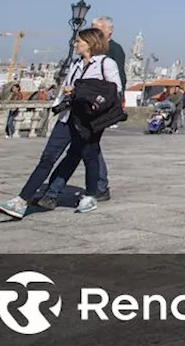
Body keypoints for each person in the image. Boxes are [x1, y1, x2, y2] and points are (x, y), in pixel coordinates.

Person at [0, 28, 122, 219]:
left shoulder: (106, 63)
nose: (75, 44)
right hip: (67, 117)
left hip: (89, 120)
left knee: (89, 156)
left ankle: (91, 195)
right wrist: (58, 106)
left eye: (79, 41)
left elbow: (114, 89)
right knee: (48, 158)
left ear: (90, 43)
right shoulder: (76, 64)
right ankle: (21, 201)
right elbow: (65, 89)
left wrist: (81, 92)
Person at [38, 16, 123, 206]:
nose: (91, 31)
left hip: (94, 113)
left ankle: (59, 192)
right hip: (75, 113)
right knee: (82, 153)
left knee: (82, 153)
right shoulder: (78, 61)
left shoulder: (112, 53)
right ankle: (58, 192)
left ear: (106, 32)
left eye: (95, 29)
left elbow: (115, 85)